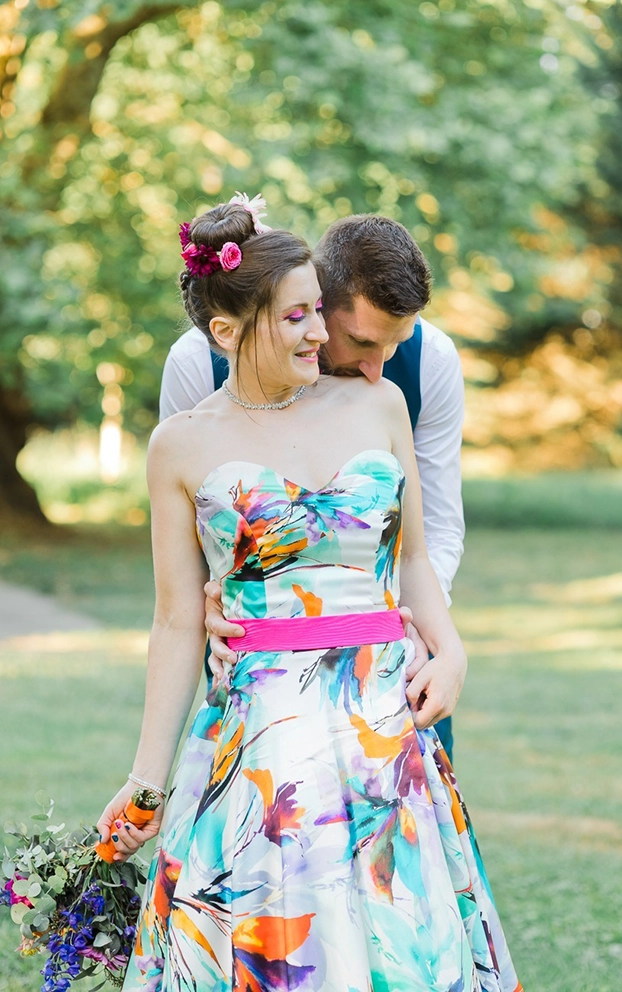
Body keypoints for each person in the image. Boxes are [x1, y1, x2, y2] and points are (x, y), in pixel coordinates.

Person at [97, 198, 522, 991]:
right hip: (260, 732)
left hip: (380, 723)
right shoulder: (182, 434)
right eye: (299, 317)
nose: (322, 337)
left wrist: (452, 649)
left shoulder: (386, 398)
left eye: (316, 315)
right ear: (227, 333)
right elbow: (177, 615)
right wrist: (147, 781)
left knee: (399, 944)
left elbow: (419, 557)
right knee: (274, 945)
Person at [160, 210, 465, 760]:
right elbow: (198, 527)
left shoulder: (430, 363)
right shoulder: (197, 364)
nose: (379, 367)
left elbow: (434, 530)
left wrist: (426, 635)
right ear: (320, 299)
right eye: (362, 342)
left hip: (395, 655)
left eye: (396, 345)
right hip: (263, 666)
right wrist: (216, 604)